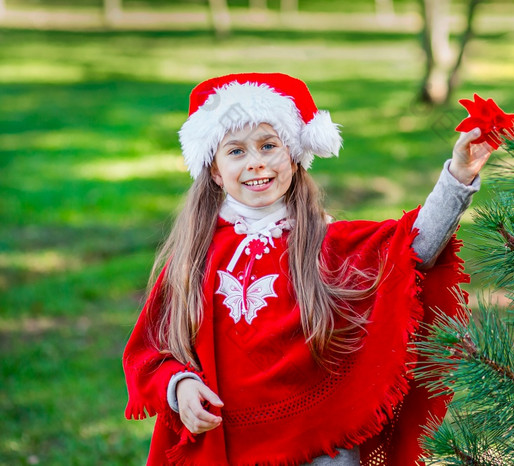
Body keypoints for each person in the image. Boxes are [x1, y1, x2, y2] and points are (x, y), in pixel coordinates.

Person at [123, 72, 494, 466]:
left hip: (319, 443)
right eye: (236, 152)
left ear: (295, 154)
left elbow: (411, 247)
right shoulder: (193, 256)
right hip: (224, 442)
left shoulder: (326, 241)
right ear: (214, 170)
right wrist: (178, 387)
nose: (257, 163)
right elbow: (151, 352)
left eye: (269, 145)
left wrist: (459, 175)